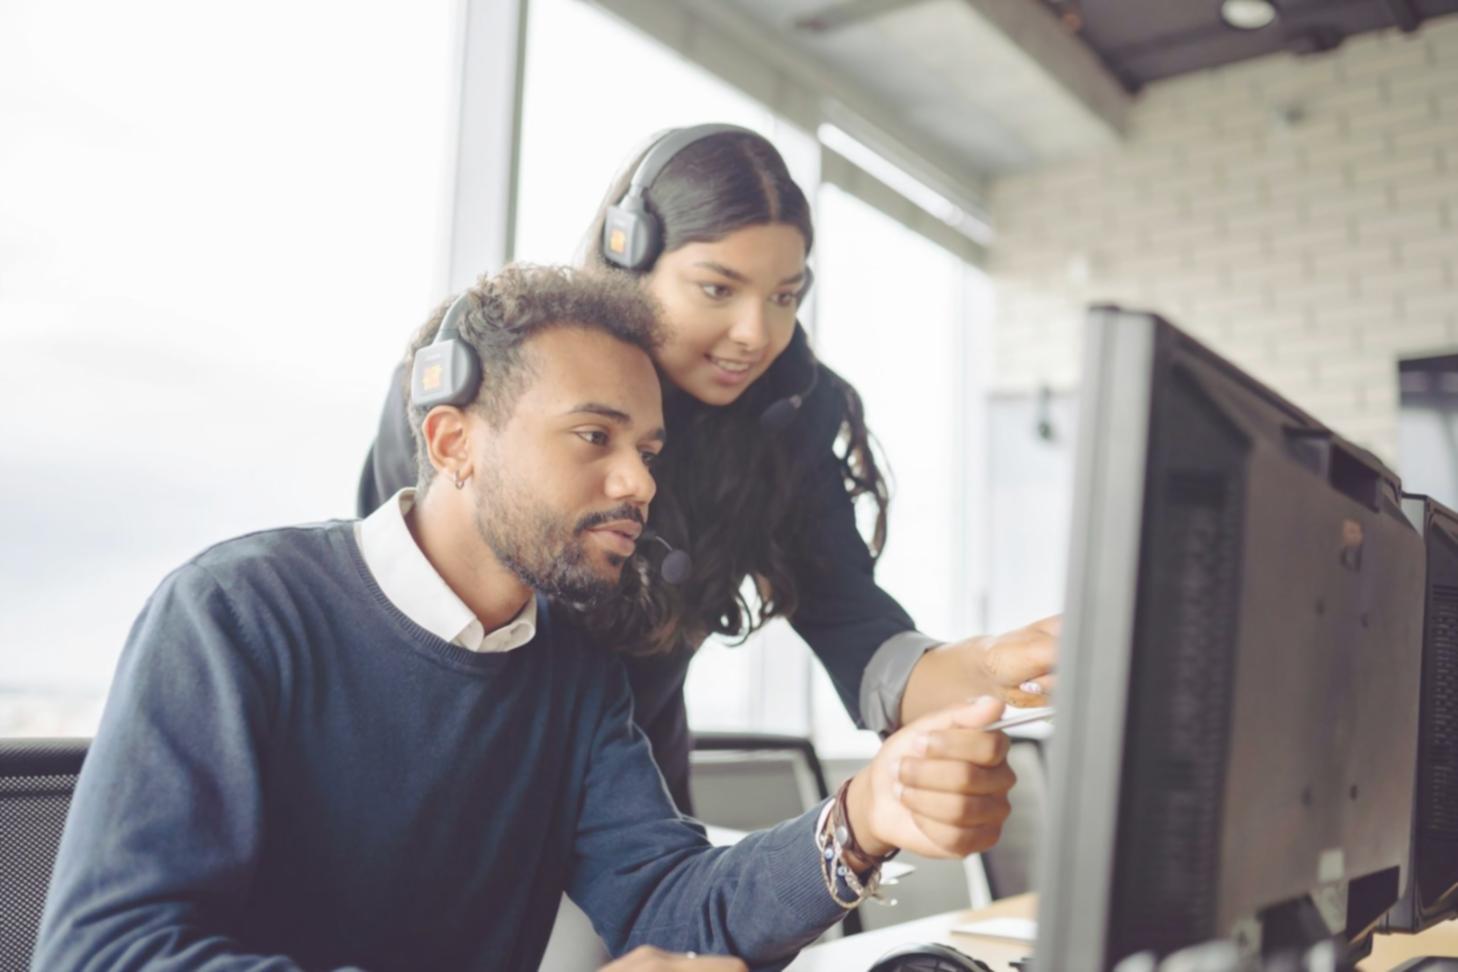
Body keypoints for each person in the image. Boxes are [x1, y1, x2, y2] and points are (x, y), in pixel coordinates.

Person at [34, 266, 1018, 972]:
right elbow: (106, 951)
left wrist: (863, 818)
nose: (638, 481)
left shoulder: (572, 666)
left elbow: (665, 899)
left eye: (648, 447)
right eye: (594, 436)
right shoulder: (235, 616)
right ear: (454, 440)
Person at [357, 125, 1058, 812]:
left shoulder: (787, 415)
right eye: (718, 290)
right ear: (628, 261)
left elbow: (856, 628)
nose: (757, 334)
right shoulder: (477, 387)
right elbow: (384, 620)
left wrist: (993, 667)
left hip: (639, 812)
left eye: (784, 296)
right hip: (457, 792)